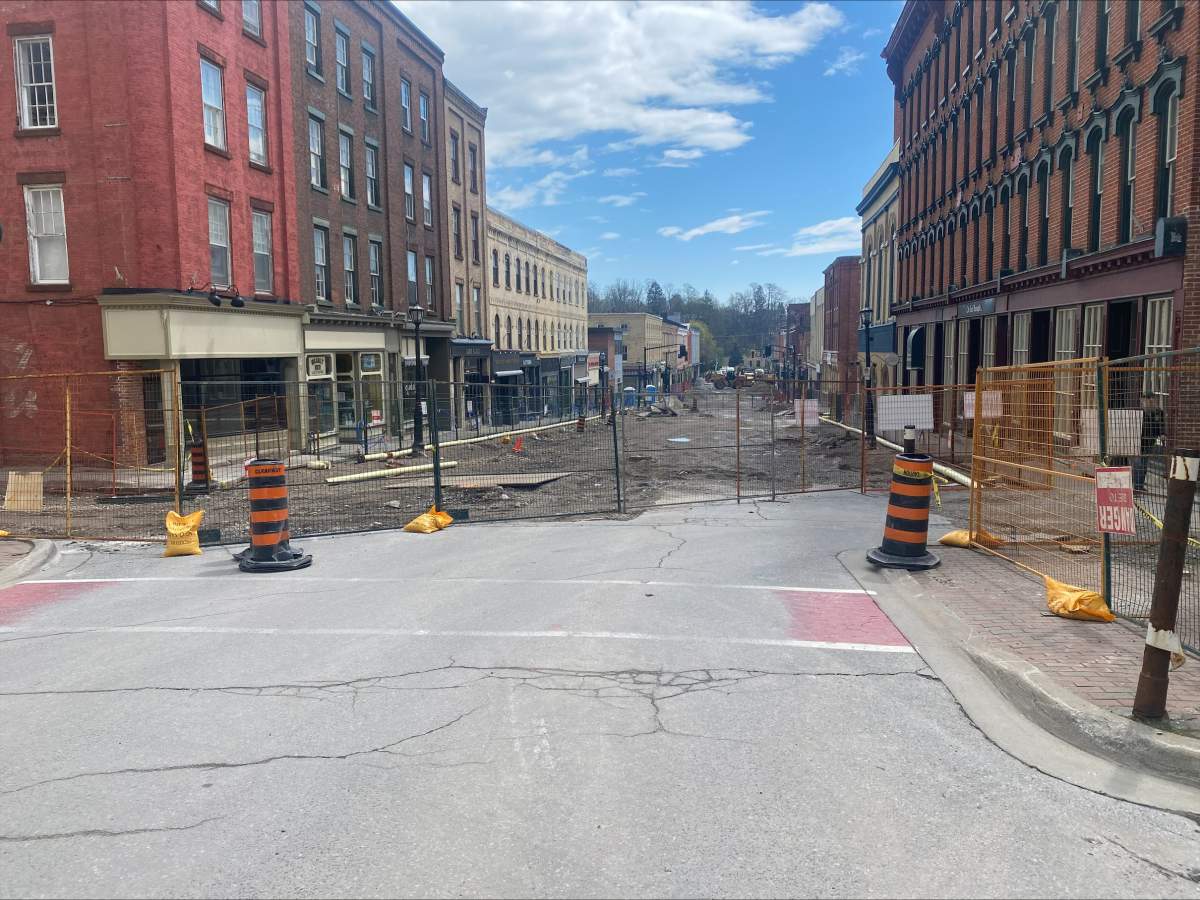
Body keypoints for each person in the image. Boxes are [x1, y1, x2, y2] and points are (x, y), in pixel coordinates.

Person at [1133, 392, 1166, 492]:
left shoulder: (1158, 412)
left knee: (1144, 464)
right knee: (1138, 464)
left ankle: (1140, 485)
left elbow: (1161, 424)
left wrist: (1162, 434)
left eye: (1150, 399)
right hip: (1139, 441)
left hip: (1150, 441)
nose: (1146, 402)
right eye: (1144, 399)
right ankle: (1137, 486)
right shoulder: (1139, 412)